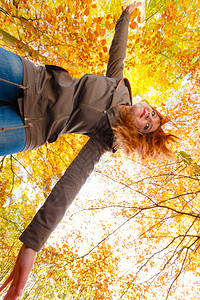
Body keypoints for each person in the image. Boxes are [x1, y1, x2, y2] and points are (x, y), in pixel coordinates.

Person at [0, 2, 177, 299]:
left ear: (136, 133)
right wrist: (127, 13)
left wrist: (32, 244)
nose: (148, 116)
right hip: (29, 80)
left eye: (148, 125)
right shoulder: (118, 85)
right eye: (152, 113)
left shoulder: (104, 139)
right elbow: (118, 47)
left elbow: (69, 186)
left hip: (27, 127)